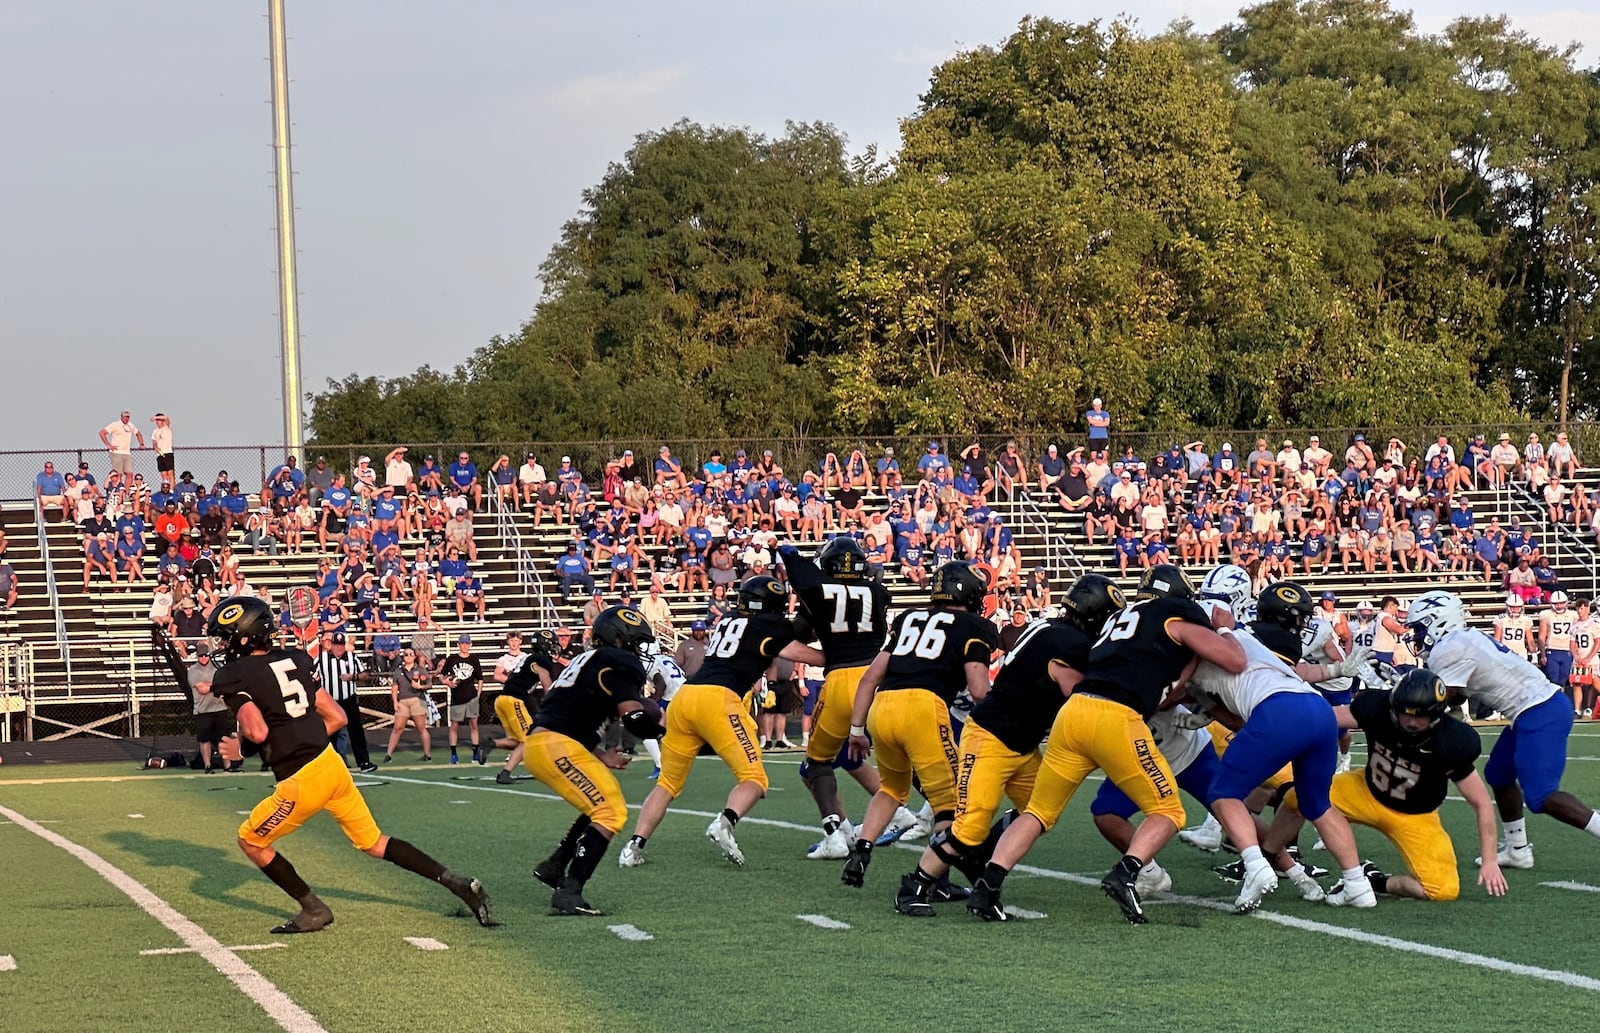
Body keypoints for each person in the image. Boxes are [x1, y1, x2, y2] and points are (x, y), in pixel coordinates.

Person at [969, 564, 1248, 924]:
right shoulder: (1174, 614)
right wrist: (1223, 625)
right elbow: (1235, 659)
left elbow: (1164, 685)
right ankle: (1127, 873)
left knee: (1038, 812)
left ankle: (987, 888)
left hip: (1073, 715)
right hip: (1116, 717)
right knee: (1168, 811)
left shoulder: (1119, 623)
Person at [209, 597, 493, 933]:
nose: (223, 646)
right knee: (373, 842)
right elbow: (336, 716)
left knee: (250, 840)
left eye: (226, 637)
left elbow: (256, 730)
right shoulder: (295, 659)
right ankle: (455, 882)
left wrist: (240, 749)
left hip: (301, 780)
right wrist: (301, 737)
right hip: (331, 765)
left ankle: (313, 909)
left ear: (245, 637)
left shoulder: (233, 674)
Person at [897, 574, 1122, 918]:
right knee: (969, 826)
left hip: (1020, 743)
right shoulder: (1070, 645)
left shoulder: (1052, 628)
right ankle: (914, 885)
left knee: (1039, 810)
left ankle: (982, 852)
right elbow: (1075, 695)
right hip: (991, 737)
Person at [1187, 582, 1383, 911]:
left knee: (1222, 793)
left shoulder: (1198, 648)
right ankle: (1357, 885)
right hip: (1319, 711)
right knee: (1316, 803)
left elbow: (1181, 686)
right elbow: (1287, 674)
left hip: (1278, 711)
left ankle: (1256, 867)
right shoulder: (1248, 640)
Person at [619, 576, 825, 867]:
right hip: (718, 700)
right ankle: (725, 822)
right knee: (754, 779)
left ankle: (633, 848)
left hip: (685, 697)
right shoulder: (768, 624)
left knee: (667, 783)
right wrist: (843, 651)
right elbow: (808, 656)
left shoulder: (729, 619)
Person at [1267, 669, 1507, 902]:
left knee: (1443, 890)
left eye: (1420, 716)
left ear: (1435, 715)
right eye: (1406, 713)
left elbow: (1482, 803)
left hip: (1415, 816)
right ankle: (1267, 857)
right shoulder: (1377, 708)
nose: (1411, 722)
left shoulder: (1452, 742)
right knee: (1297, 797)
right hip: (1365, 790)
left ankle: (1376, 881)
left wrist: (1489, 860)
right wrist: (1282, 723)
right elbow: (1325, 716)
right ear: (1394, 706)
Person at [1406, 590, 1600, 868]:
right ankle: (1517, 848)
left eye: (1420, 627)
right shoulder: (1462, 639)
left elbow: (1443, 699)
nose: (1417, 635)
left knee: (1541, 795)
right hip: (1535, 707)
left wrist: (1402, 690)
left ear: (1438, 621)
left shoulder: (1447, 648)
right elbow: (1457, 694)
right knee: (1499, 773)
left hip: (1539, 709)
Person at [840, 561, 999, 898]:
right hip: (924, 708)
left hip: (883, 708)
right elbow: (980, 690)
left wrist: (856, 730)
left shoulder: (908, 618)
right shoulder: (974, 626)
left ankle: (862, 850)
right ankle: (934, 880)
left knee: (892, 789)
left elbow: (871, 677)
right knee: (952, 804)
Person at [779, 539, 907, 860]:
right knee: (899, 747)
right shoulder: (879, 592)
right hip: (877, 678)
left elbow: (804, 617)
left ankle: (834, 834)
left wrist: (788, 553)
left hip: (841, 680)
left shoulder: (819, 592)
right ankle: (924, 812)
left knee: (816, 764)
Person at [527, 607, 660, 915]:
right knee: (611, 812)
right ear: (618, 639)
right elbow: (635, 717)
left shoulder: (586, 660)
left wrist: (600, 755)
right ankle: (570, 891)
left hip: (546, 742)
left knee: (600, 801)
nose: (639, 651)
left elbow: (568, 712)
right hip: (557, 745)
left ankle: (556, 864)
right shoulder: (617, 661)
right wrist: (669, 729)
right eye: (636, 643)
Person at [437, 635, 485, 764]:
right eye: (462, 643)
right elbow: (441, 674)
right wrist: (446, 682)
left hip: (471, 696)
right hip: (457, 697)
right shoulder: (452, 659)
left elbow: (480, 678)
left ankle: (475, 753)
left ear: (470, 644)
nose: (464, 646)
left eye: (467, 643)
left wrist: (478, 694)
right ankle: (453, 754)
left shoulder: (474, 659)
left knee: (474, 725)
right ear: (458, 644)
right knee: (454, 726)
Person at [189, 644, 232, 772]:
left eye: (205, 655)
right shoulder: (193, 670)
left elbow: (224, 684)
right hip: (203, 710)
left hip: (219, 708)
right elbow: (202, 689)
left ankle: (228, 766)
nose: (203, 658)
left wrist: (211, 686)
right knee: (204, 739)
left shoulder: (216, 667)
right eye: (201, 656)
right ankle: (207, 765)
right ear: (197, 656)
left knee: (223, 739)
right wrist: (215, 685)